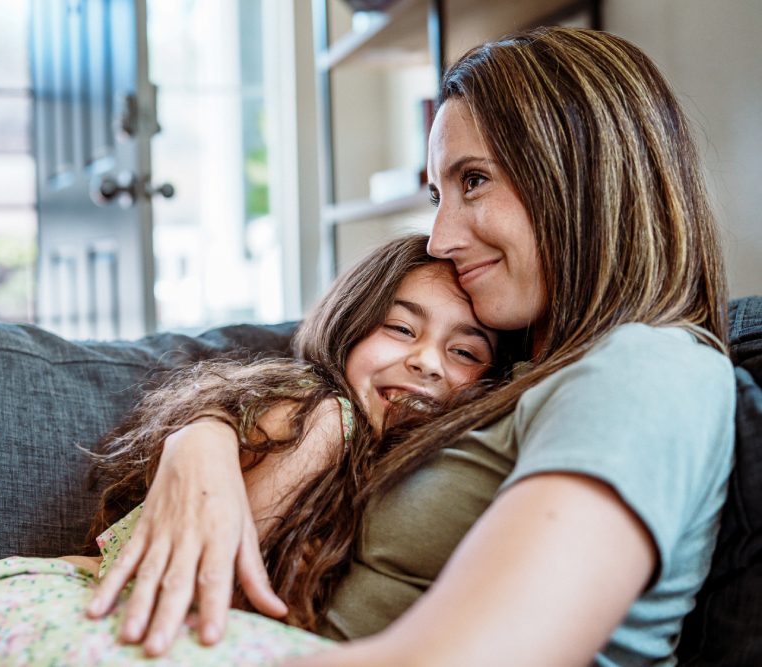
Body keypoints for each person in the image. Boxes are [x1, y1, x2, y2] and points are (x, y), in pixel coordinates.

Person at [89, 26, 736, 666]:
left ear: (585, 177)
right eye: (437, 195)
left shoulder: (645, 370)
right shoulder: (522, 367)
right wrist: (202, 436)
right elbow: (323, 364)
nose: (440, 238)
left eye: (474, 180)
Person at [0, 234, 504, 665]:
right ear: (349, 325)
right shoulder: (323, 417)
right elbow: (229, 597)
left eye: (465, 352)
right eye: (401, 328)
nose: (427, 361)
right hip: (45, 616)